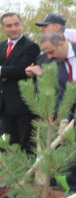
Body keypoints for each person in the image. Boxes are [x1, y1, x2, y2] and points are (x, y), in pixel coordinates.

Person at [25, 31, 76, 195]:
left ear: (62, 45)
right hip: (73, 104)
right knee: (68, 146)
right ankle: (74, 188)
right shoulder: (58, 63)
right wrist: (64, 119)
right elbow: (63, 93)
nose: (48, 57)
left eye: (50, 52)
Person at [0, 12, 40, 153]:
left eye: (16, 24)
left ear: (21, 25)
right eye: (9, 26)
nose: (13, 28)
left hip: (23, 105)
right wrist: (8, 72)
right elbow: (14, 70)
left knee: (26, 144)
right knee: (10, 145)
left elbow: (21, 69)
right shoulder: (1, 46)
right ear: (3, 28)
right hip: (4, 106)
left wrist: (3, 72)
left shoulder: (31, 47)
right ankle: (15, 175)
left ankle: (27, 175)